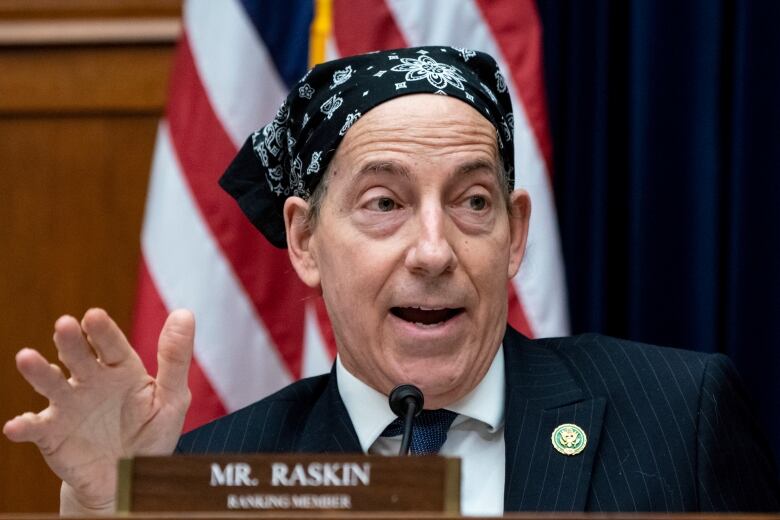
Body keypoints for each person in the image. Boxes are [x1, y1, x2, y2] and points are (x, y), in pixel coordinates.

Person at [3, 47, 779, 515]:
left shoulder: (682, 418)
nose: (434, 251)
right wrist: (105, 515)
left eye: (473, 202)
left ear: (515, 235)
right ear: (305, 239)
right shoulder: (213, 472)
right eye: (385, 203)